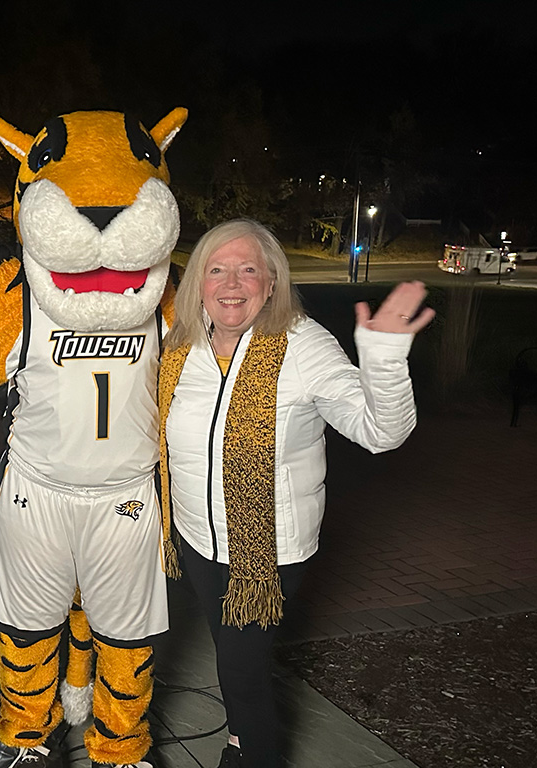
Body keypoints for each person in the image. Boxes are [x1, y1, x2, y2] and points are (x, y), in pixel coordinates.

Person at [157, 219, 434, 768]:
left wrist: (382, 355)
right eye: (216, 269)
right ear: (198, 283)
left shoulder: (303, 345)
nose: (231, 283)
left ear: (272, 282)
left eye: (248, 269)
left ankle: (249, 754)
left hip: (267, 554)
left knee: (241, 670)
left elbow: (381, 432)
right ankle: (242, 739)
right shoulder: (181, 344)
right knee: (235, 663)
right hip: (196, 539)